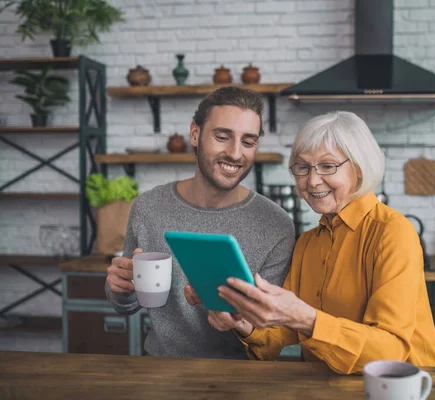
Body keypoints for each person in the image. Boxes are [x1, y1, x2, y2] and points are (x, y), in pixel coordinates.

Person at [186, 111, 435, 374]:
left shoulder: (392, 232)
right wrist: (241, 323)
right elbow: (282, 333)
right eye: (303, 167)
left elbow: (390, 352)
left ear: (358, 168)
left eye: (328, 166)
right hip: (328, 387)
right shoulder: (308, 243)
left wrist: (305, 318)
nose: (312, 180)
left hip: (406, 387)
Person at [105, 86, 296, 359]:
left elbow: (270, 333)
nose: (235, 153)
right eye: (222, 136)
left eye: (248, 142)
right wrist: (120, 288)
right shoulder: (148, 208)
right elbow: (126, 305)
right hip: (160, 369)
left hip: (240, 378)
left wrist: (238, 319)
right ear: (195, 134)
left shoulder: (276, 226)